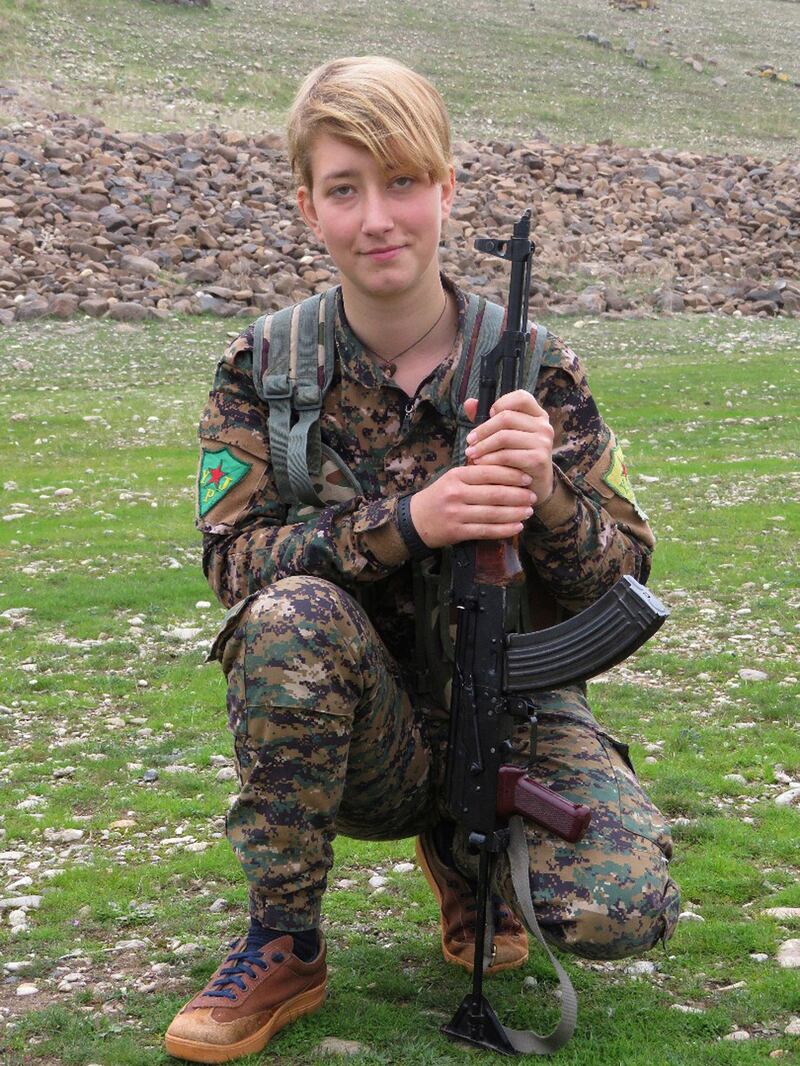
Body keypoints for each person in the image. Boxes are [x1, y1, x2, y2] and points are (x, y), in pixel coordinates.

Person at [165, 55, 680, 1063]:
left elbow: (621, 578)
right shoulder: (263, 371)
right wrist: (409, 521)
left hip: (514, 711)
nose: (378, 219)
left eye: (401, 183)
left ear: (445, 189)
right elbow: (230, 561)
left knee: (623, 908)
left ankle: (466, 858)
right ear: (307, 206)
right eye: (345, 190)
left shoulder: (534, 368)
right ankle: (283, 939)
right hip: (357, 734)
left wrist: (545, 493)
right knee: (284, 617)